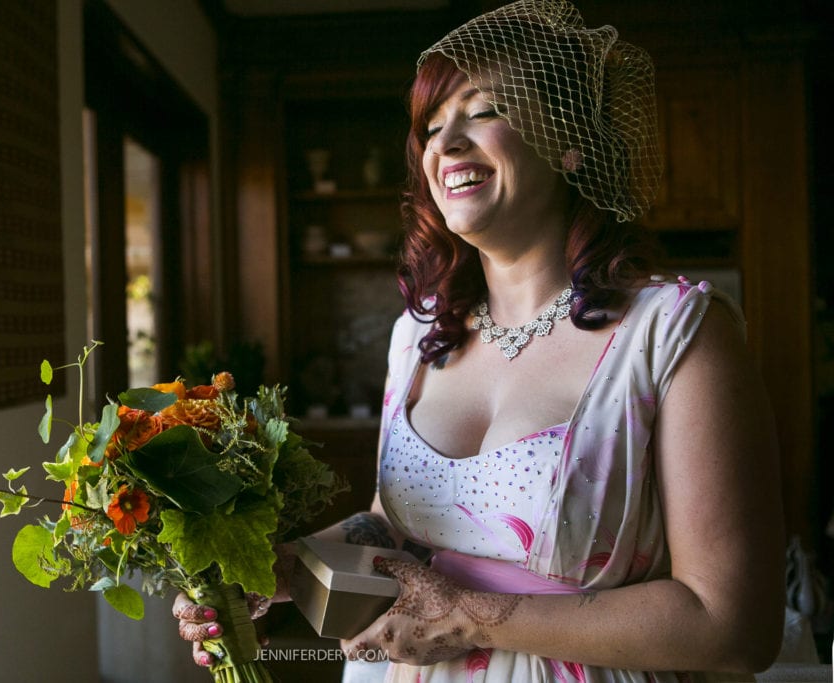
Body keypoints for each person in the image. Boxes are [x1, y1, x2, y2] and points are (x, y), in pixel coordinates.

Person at [174, 1, 786, 680]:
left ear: (570, 139)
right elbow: (389, 525)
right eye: (432, 128)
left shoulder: (674, 333)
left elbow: (733, 625)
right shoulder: (416, 337)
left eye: (484, 111)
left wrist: (466, 612)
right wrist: (278, 565)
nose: (447, 144)